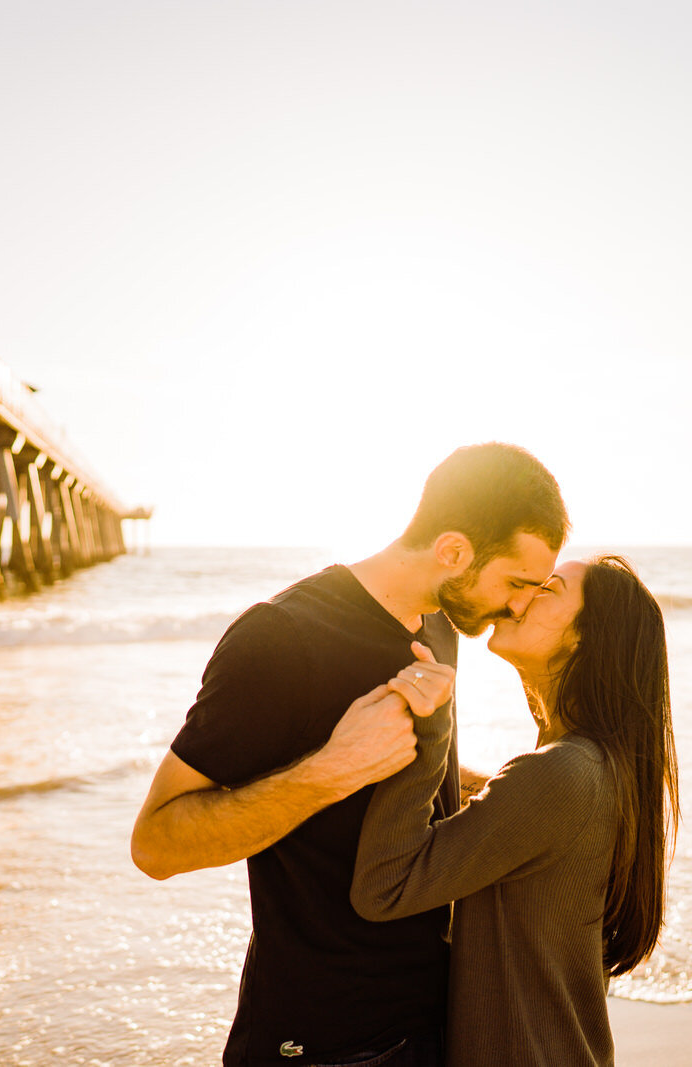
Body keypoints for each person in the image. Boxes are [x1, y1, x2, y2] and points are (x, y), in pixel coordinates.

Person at [129, 443, 568, 1067]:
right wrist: (331, 771)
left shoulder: (438, 624)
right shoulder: (280, 637)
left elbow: (407, 784)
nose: (520, 604)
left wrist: (510, 795)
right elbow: (155, 844)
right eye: (516, 582)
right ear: (452, 551)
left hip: (434, 1018)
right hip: (317, 1040)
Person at [350, 555, 680, 1067]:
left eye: (547, 590)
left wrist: (431, 726)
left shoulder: (559, 775)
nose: (518, 596)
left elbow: (384, 886)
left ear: (583, 640)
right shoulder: (600, 767)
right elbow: (513, 809)